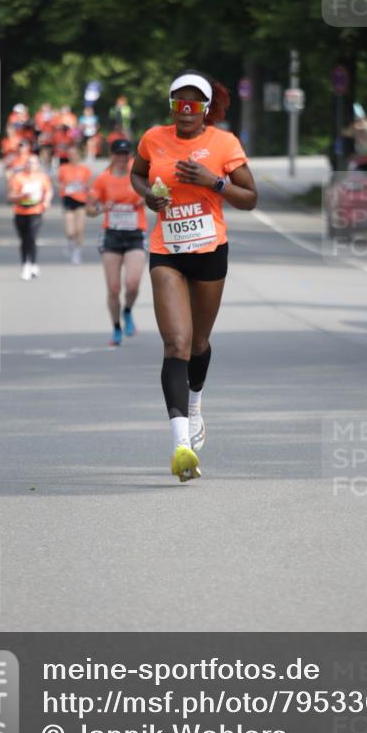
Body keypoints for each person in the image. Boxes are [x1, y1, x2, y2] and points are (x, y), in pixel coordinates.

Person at [130, 70, 257, 482]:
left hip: (209, 251)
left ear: (205, 108)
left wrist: (214, 182)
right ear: (172, 106)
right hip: (166, 250)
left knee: (199, 343)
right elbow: (137, 172)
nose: (186, 111)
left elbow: (250, 198)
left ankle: (196, 399)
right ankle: (181, 445)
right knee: (176, 343)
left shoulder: (224, 143)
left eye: (193, 104)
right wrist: (147, 195)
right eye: (179, 103)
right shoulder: (153, 138)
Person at [87, 138, 147, 346]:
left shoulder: (137, 176)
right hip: (111, 235)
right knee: (113, 288)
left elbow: (156, 192)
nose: (122, 158)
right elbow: (89, 209)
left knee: (132, 284)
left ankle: (128, 311)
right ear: (112, 156)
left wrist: (146, 197)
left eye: (125, 154)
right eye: (118, 154)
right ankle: (116, 328)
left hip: (135, 234)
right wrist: (102, 208)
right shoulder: (103, 179)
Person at [7, 155, 53, 280]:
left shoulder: (42, 177)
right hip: (20, 212)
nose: (31, 165)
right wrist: (22, 197)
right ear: (25, 164)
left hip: (36, 211)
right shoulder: (18, 178)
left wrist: (47, 201)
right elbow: (11, 196)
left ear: (38, 165)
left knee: (32, 237)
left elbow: (48, 190)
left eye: (33, 163)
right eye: (28, 162)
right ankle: (25, 264)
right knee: (24, 240)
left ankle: (33, 263)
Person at [58, 144, 92, 264]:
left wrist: (89, 196)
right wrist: (62, 187)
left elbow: (89, 186)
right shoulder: (63, 168)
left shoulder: (85, 170)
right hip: (68, 200)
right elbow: (59, 183)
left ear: (79, 155)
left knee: (79, 229)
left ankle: (77, 252)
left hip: (81, 201)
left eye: (74, 154)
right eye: (70, 154)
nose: (72, 156)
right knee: (70, 231)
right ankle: (70, 244)